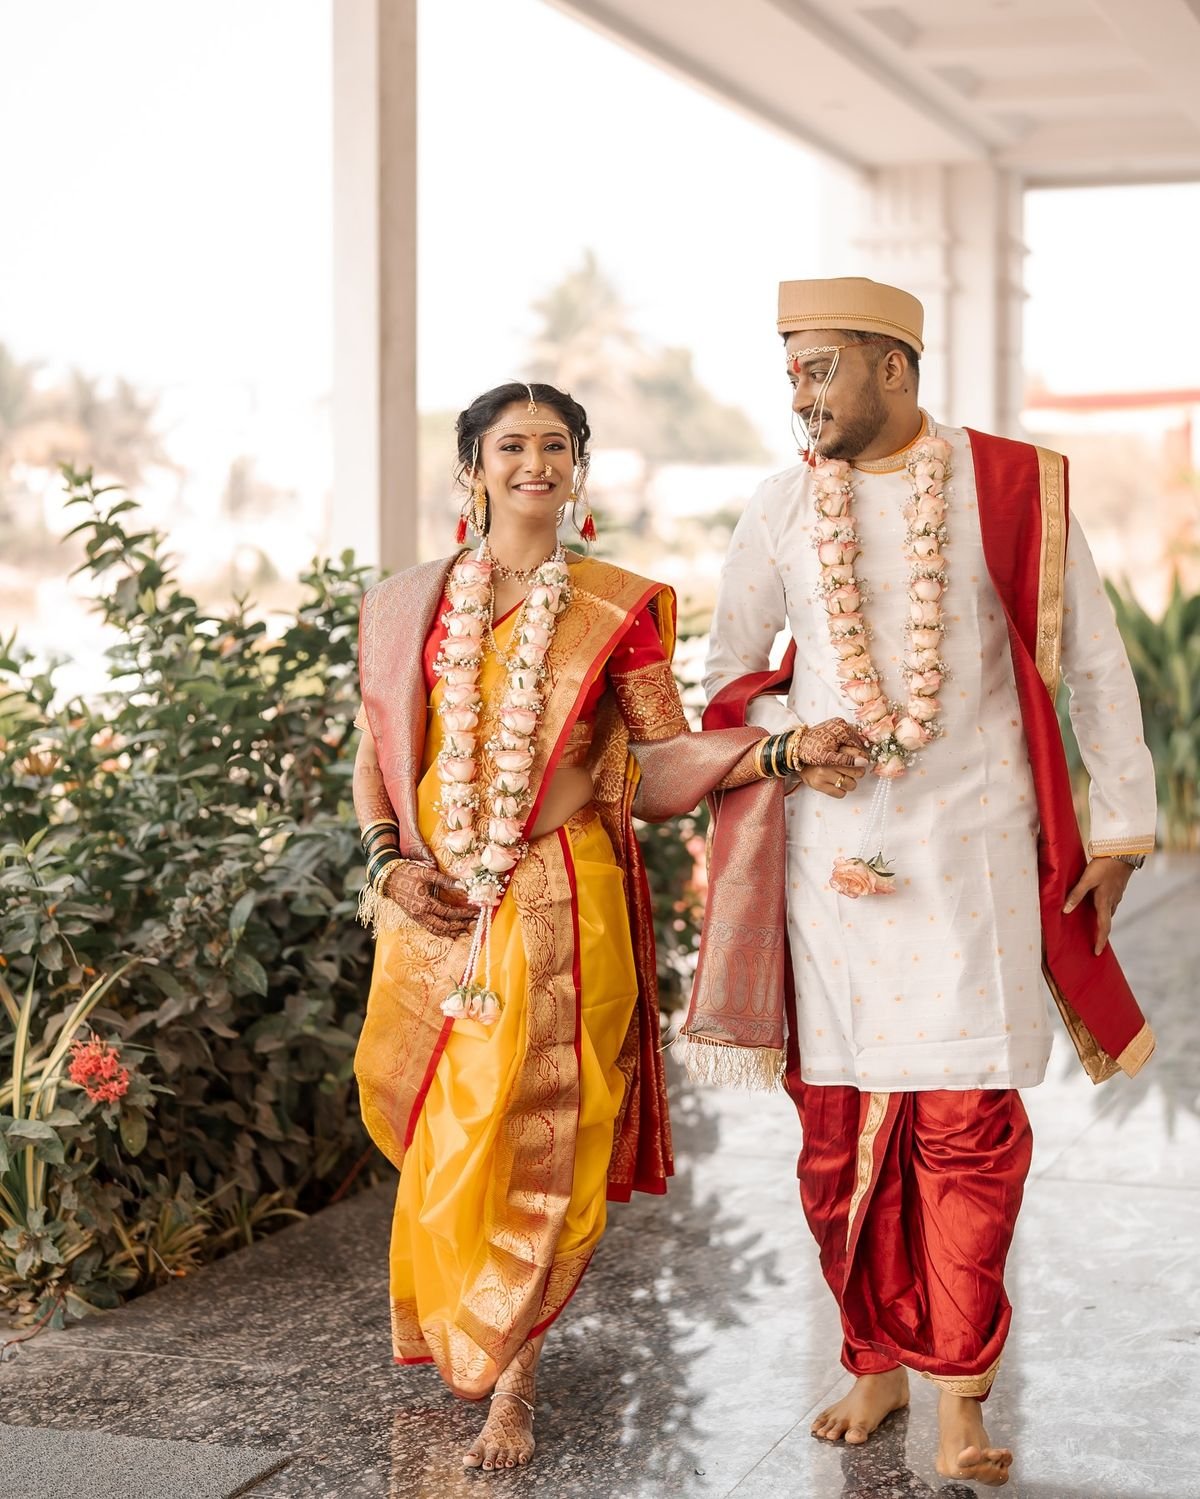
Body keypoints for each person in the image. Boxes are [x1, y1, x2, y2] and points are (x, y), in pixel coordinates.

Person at [683, 279, 1156, 1487]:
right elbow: (730, 674)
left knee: (967, 1129)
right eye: (790, 372)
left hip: (975, 854)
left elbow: (1095, 666)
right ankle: (872, 1354)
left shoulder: (1011, 487)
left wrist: (1120, 825)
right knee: (835, 1133)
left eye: (820, 368)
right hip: (827, 868)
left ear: (895, 367)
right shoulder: (782, 505)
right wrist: (802, 733)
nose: (800, 394)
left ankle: (961, 1385)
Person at [351, 381, 854, 1472]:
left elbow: (664, 762)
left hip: (563, 908)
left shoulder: (616, 607)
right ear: (472, 466)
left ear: (579, 466)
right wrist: (388, 863)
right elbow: (378, 754)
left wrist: (773, 752)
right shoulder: (409, 605)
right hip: (435, 908)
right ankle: (457, 1324)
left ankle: (514, 1386)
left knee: (539, 1134)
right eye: (511, 444)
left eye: (555, 444)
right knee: (446, 1130)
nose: (535, 461)